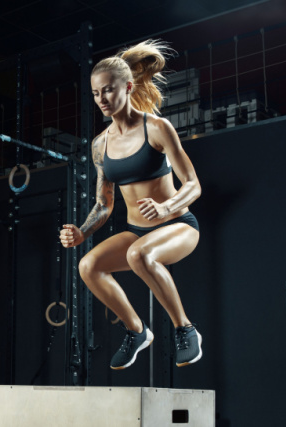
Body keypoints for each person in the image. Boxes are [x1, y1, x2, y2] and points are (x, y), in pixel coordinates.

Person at [59, 40, 202, 370]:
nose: (102, 100)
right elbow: (104, 203)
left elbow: (193, 185)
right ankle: (136, 332)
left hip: (178, 225)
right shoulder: (100, 145)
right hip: (137, 231)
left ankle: (187, 330)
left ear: (127, 87)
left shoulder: (156, 127)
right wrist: (81, 233)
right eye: (96, 94)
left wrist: (167, 209)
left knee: (139, 255)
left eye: (108, 91)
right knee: (88, 266)